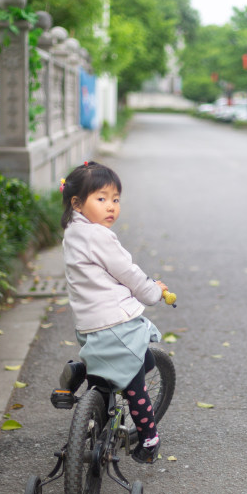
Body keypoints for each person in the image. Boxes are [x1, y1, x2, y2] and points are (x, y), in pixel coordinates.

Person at [58, 160, 168, 464]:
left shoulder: (73, 232)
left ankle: (85, 375)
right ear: (77, 203)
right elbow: (129, 274)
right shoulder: (100, 237)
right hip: (116, 325)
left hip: (90, 326)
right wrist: (153, 291)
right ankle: (149, 440)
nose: (111, 207)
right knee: (135, 383)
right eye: (101, 198)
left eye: (116, 199)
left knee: (113, 371)